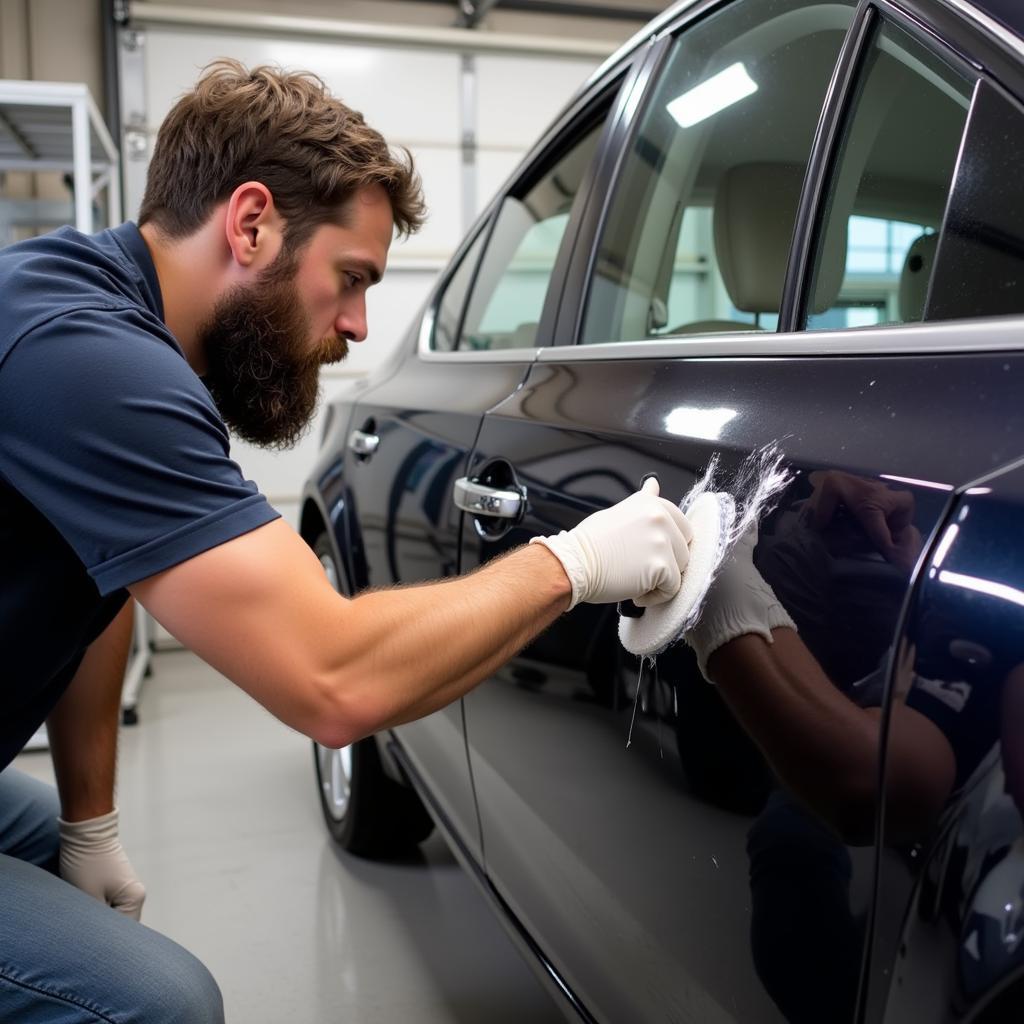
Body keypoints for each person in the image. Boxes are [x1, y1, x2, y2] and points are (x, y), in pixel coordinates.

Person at [0, 61, 693, 1021]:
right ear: (250, 225)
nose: (360, 328)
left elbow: (105, 579)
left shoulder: (90, 309)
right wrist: (574, 562)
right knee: (161, 1003)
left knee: (45, 852)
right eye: (352, 279)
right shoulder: (91, 360)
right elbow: (334, 682)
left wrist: (90, 824)